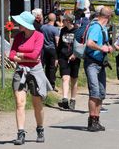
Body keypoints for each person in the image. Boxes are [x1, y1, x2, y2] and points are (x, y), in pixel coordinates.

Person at [9, 11, 52, 145]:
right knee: (20, 103)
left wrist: (20, 54)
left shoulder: (39, 36)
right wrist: (20, 56)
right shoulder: (18, 36)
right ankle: (20, 133)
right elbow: (11, 54)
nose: (17, 25)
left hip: (35, 72)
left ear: (26, 25)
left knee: (36, 103)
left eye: (20, 23)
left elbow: (35, 56)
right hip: (21, 71)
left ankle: (40, 128)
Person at [84, 7, 113, 132]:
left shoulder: (103, 28)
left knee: (101, 93)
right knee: (94, 92)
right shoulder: (96, 27)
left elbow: (103, 43)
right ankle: (91, 121)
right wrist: (102, 48)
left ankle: (96, 119)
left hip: (100, 63)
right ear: (108, 17)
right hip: (92, 63)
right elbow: (89, 43)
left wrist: (108, 47)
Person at [56, 13, 80, 111]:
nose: (62, 22)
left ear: (68, 21)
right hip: (63, 57)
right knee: (65, 78)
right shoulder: (62, 30)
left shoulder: (78, 31)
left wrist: (75, 54)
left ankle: (73, 99)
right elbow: (60, 45)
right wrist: (57, 58)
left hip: (75, 58)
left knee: (74, 79)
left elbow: (80, 45)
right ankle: (65, 99)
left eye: (64, 20)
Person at [40, 13, 60, 91]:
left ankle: (43, 82)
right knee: (51, 67)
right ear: (54, 20)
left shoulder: (42, 27)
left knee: (44, 66)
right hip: (52, 50)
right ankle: (51, 85)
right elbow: (57, 41)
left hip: (44, 49)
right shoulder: (55, 29)